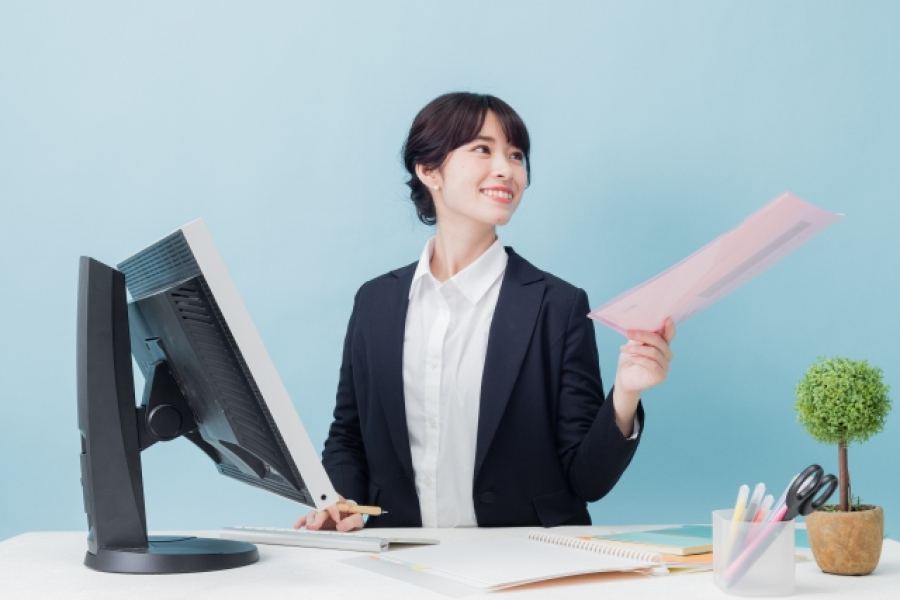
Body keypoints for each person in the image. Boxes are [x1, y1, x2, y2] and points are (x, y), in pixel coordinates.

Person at [295, 92, 675, 532]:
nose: (507, 169)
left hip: (528, 558)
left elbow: (587, 481)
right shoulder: (375, 302)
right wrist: (339, 503)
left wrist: (625, 394)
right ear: (429, 169)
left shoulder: (558, 306)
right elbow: (348, 438)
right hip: (401, 554)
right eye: (482, 149)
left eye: (516, 155)